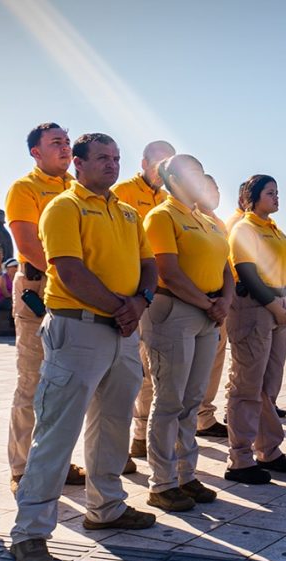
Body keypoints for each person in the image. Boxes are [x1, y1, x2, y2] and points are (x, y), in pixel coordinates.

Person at [10, 133, 158, 561]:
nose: (112, 165)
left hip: (123, 333)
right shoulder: (64, 207)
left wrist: (140, 302)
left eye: (116, 158)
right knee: (56, 431)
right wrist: (122, 306)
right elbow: (68, 269)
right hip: (78, 329)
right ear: (78, 163)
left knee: (112, 425)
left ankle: (106, 506)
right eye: (102, 158)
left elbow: (148, 264)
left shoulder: (128, 212)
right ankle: (30, 533)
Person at [143, 155, 233, 511]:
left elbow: (225, 266)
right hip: (175, 311)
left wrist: (223, 301)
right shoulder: (161, 216)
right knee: (169, 400)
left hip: (207, 315)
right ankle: (162, 482)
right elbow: (169, 271)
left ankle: (186, 475)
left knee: (192, 400)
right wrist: (207, 303)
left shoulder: (208, 222)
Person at [5, 122, 85, 494]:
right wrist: (68, 276)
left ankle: (58, 461)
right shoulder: (25, 188)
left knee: (66, 385)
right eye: (56, 143)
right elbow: (27, 243)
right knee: (32, 381)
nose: (65, 147)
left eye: (67, 142)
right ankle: (22, 468)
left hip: (77, 292)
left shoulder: (77, 188)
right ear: (36, 152)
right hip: (40, 286)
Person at [223, 175, 286, 485]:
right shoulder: (245, 228)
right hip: (255, 308)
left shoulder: (275, 230)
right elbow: (246, 272)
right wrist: (274, 305)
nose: (277, 197)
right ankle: (240, 457)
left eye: (277, 192)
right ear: (250, 198)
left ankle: (268, 449)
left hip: (279, 306)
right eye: (270, 193)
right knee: (247, 385)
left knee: (269, 384)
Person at [111, 140, 177, 464]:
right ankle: (118, 448)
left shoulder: (166, 200)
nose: (164, 170)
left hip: (156, 294)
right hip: (130, 293)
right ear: (144, 162)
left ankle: (139, 438)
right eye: (159, 163)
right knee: (126, 376)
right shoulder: (122, 192)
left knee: (150, 374)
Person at [194, 175, 232, 439]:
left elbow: (226, 264)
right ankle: (195, 416)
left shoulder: (219, 223)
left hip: (220, 302)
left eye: (217, 188)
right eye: (209, 188)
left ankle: (204, 415)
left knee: (215, 361)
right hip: (197, 303)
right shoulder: (191, 218)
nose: (215, 193)